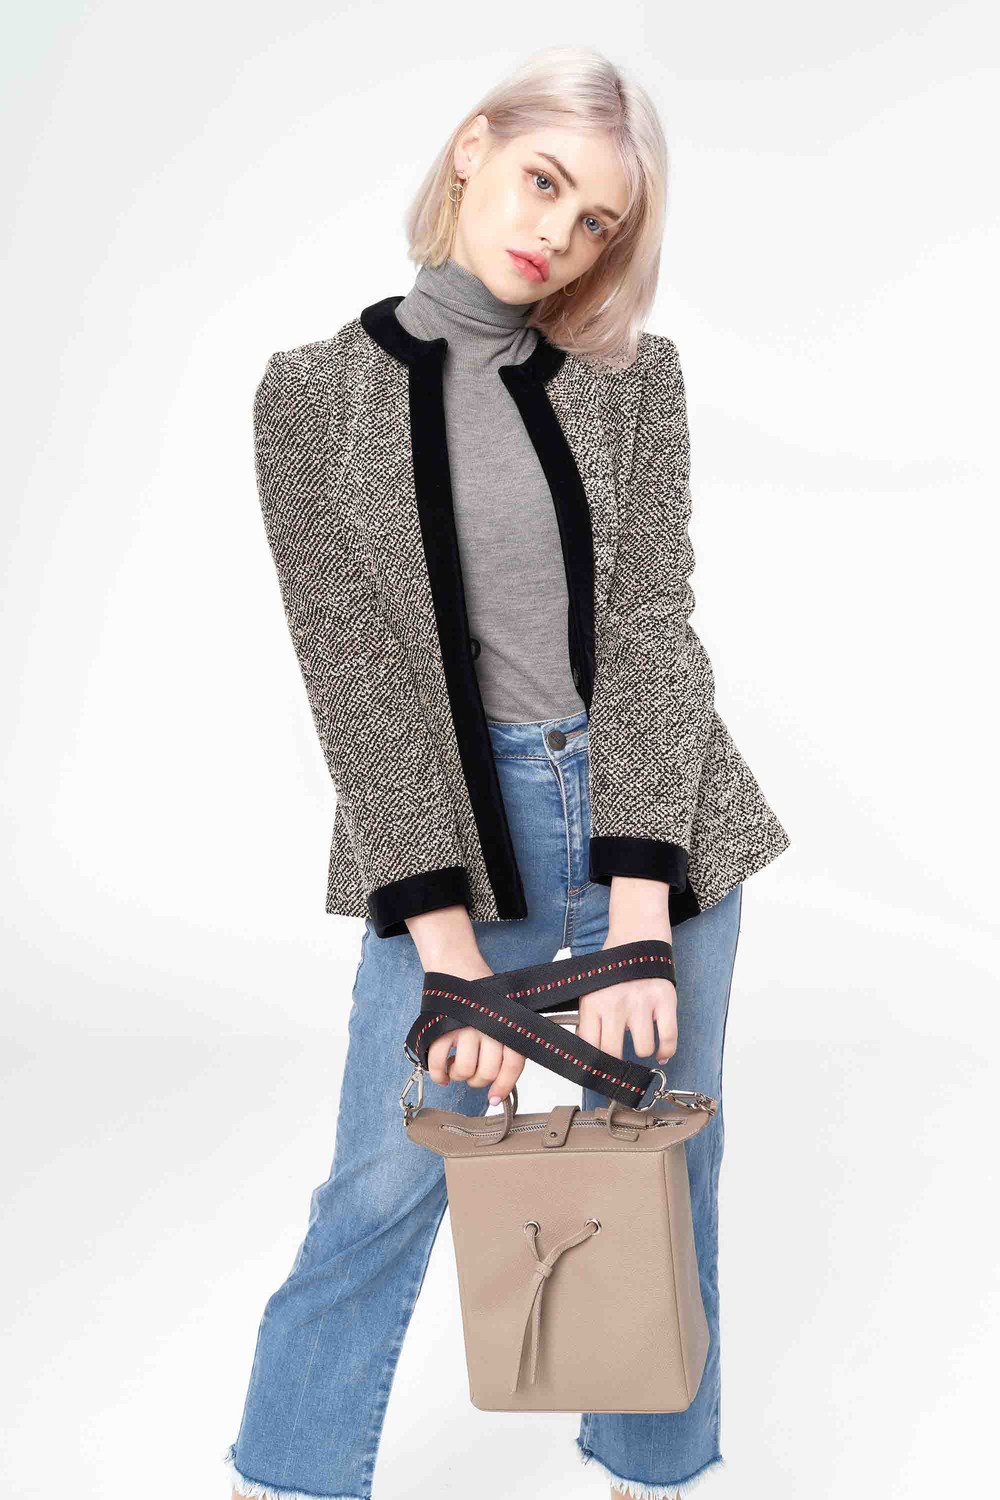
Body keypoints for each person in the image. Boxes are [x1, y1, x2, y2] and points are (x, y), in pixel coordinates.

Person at [224, 44, 790, 1500]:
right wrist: (451, 956)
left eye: (596, 222)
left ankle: (655, 1474)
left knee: (662, 1167)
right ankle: (285, 1478)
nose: (558, 236)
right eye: (544, 182)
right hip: (462, 850)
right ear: (473, 148)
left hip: (655, 818)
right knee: (389, 1173)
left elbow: (653, 627)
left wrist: (640, 917)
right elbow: (358, 682)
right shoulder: (309, 398)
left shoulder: (632, 382)